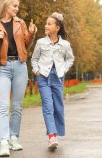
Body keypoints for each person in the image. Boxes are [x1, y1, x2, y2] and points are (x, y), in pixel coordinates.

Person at [0, 0, 37, 157]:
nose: (17, 8)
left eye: (18, 6)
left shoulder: (21, 23)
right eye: (15, 6)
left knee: (17, 106)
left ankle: (14, 137)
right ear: (6, 5)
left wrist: (32, 33)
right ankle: (4, 142)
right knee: (3, 106)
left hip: (20, 66)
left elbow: (26, 45)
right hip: (3, 67)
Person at [31, 12, 74, 149]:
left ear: (57, 28)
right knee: (48, 106)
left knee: (58, 107)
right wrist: (35, 69)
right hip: (43, 77)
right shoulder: (40, 42)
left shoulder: (65, 45)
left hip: (57, 77)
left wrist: (64, 70)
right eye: (46, 23)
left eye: (49, 24)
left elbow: (70, 59)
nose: (46, 26)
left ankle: (56, 133)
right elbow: (34, 59)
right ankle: (52, 136)